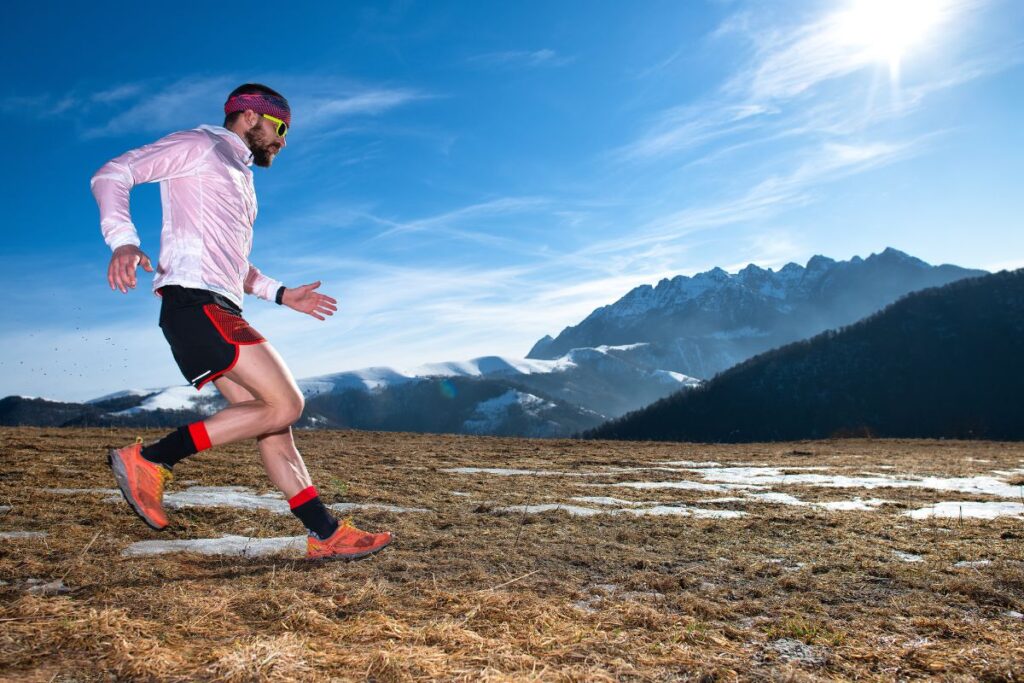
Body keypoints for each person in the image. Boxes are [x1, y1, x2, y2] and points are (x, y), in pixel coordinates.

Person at [90, 83, 392, 561]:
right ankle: (150, 459)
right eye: (280, 127)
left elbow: (233, 262)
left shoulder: (238, 175)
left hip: (216, 305)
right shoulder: (200, 145)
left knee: (273, 423)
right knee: (286, 404)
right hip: (195, 302)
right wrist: (123, 240)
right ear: (250, 115)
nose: (283, 141)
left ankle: (326, 534)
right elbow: (113, 173)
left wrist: (280, 293)